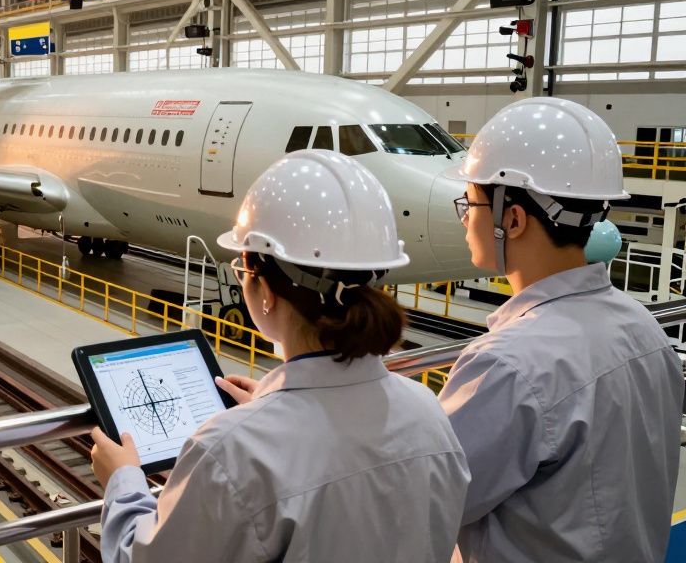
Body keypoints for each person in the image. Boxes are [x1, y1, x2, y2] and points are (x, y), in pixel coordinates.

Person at [90, 150, 469, 563]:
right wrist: (271, 406)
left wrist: (123, 482)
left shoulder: (232, 450)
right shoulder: (428, 413)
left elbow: (144, 557)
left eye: (243, 270)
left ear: (266, 292)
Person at [439, 97, 682, 563]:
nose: (466, 218)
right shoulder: (645, 330)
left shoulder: (507, 365)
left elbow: (427, 502)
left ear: (512, 219)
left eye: (470, 203)